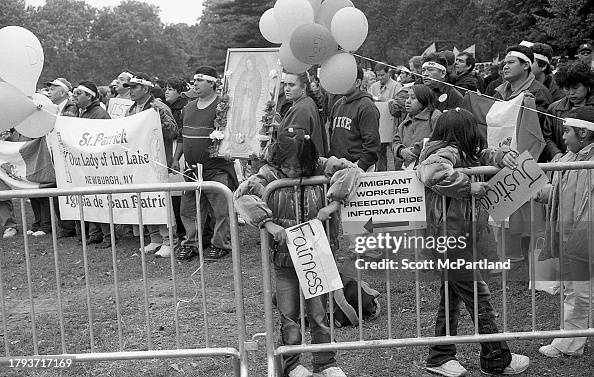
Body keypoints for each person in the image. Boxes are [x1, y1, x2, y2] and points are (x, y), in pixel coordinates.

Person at [234, 128, 360, 377]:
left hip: (318, 256)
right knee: (289, 314)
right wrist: (268, 224)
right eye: (288, 166)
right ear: (279, 159)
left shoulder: (324, 167)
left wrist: (333, 204)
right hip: (285, 258)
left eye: (299, 166)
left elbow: (352, 170)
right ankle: (291, 364)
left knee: (319, 312)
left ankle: (326, 362)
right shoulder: (268, 174)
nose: (293, 172)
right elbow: (242, 195)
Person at [417, 108, 530, 377]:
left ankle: (440, 356)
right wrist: (469, 187)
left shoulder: (461, 152)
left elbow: (483, 155)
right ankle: (496, 359)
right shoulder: (446, 152)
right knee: (479, 296)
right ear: (465, 132)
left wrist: (501, 156)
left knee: (452, 298)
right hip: (449, 239)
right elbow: (432, 173)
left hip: (457, 238)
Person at [536, 107, 594, 358]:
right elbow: (560, 192)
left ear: (583, 133)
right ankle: (571, 340)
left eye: (568, 131)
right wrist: (535, 191)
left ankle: (570, 344)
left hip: (584, 236)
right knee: (575, 289)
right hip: (572, 236)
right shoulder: (568, 159)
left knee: (578, 291)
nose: (563, 137)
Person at [172, 66, 238, 261]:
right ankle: (192, 243)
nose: (195, 84)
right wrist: (176, 158)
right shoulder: (188, 108)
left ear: (212, 83)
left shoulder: (223, 106)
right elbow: (182, 137)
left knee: (220, 210)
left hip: (216, 168)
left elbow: (233, 134)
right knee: (189, 210)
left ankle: (221, 244)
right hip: (192, 170)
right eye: (194, 81)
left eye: (200, 81)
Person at [124, 72, 179, 257]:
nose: (130, 91)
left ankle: (169, 240)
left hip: (156, 161)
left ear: (145, 88)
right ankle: (154, 238)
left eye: (134, 87)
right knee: (145, 201)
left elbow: (173, 132)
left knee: (159, 200)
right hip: (138, 163)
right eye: (129, 88)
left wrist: (156, 120)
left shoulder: (159, 107)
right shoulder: (130, 110)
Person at [73, 81, 114, 247]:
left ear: (89, 96)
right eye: (74, 93)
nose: (74, 96)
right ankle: (95, 233)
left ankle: (109, 236)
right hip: (87, 163)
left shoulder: (98, 113)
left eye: (78, 94)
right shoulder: (84, 112)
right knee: (90, 199)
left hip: (98, 164)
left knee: (100, 199)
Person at [328, 66, 380, 172]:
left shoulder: (367, 106)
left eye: (346, 80)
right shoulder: (338, 104)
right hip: (339, 167)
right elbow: (331, 134)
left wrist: (360, 167)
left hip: (358, 169)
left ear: (357, 83)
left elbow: (372, 142)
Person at [546, 61, 594, 160]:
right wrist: (555, 153)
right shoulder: (554, 109)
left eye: (576, 88)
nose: (571, 93)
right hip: (563, 162)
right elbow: (547, 137)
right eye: (567, 88)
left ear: (587, 84)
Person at [392, 84, 441, 170]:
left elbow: (437, 139)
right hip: (405, 172)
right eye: (407, 97)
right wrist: (401, 151)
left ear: (424, 100)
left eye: (413, 98)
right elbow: (396, 141)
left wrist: (414, 151)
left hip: (427, 170)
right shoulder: (405, 121)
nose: (407, 101)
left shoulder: (435, 116)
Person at [279, 72, 327, 156]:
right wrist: (280, 127)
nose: (286, 88)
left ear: (304, 87)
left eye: (291, 85)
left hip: (299, 165)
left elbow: (293, 146)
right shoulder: (306, 102)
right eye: (285, 85)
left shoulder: (301, 109)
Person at [369, 63, 401, 172]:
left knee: (396, 152)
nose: (380, 78)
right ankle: (381, 176)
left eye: (382, 75)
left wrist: (386, 101)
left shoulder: (397, 86)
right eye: (378, 75)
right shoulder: (373, 87)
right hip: (379, 125)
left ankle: (399, 175)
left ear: (389, 73)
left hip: (393, 125)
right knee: (379, 154)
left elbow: (399, 104)